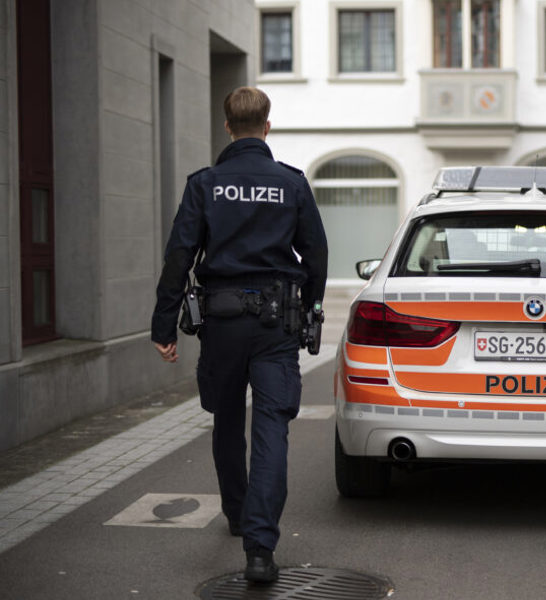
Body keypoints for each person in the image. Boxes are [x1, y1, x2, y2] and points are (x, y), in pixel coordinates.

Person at [150, 86, 328, 582]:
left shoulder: (205, 184)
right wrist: (312, 312)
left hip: (222, 323)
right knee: (272, 429)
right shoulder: (291, 183)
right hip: (277, 326)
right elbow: (316, 256)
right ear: (267, 127)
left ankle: (236, 512)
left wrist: (164, 326)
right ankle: (259, 550)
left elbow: (179, 257)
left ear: (227, 127)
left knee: (227, 420)